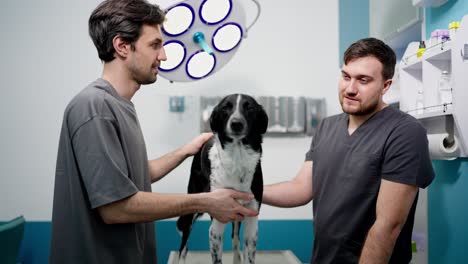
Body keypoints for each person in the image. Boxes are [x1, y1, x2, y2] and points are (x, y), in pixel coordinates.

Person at [49, 0, 258, 263]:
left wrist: (186, 150)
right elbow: (116, 207)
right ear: (122, 46)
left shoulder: (120, 106)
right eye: (155, 45)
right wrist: (205, 201)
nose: (165, 56)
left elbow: (135, 176)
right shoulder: (95, 107)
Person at [263, 38, 435, 264]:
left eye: (363, 80)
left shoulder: (405, 132)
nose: (350, 89)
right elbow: (301, 188)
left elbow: (388, 225)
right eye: (346, 76)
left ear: (385, 86)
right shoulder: (326, 127)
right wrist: (248, 191)